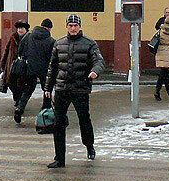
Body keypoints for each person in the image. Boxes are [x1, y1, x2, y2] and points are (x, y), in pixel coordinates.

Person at [44, 14, 105, 168]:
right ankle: (59, 158)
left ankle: (89, 146)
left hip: (80, 89)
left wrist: (95, 71)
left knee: (84, 120)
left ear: (80, 26)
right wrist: (48, 88)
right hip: (62, 89)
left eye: (75, 25)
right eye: (70, 25)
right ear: (67, 27)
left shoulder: (89, 44)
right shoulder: (59, 44)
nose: (72, 28)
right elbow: (53, 68)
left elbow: (98, 60)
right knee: (58, 124)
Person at [13, 18, 55, 124]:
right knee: (46, 90)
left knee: (27, 89)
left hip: (29, 68)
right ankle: (45, 110)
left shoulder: (29, 36)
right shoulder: (51, 41)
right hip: (43, 70)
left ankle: (19, 108)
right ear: (49, 28)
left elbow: (21, 49)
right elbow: (53, 58)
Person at [1, 20, 26, 118]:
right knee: (12, 84)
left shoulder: (29, 38)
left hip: (23, 67)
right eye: (19, 28)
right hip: (11, 66)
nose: (20, 30)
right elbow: (6, 51)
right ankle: (17, 99)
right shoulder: (12, 38)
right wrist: (3, 65)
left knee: (22, 85)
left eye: (22, 28)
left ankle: (20, 102)